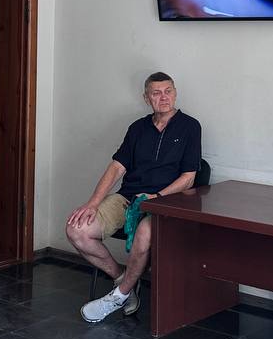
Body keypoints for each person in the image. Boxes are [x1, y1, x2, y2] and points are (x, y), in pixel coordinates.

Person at [66, 71, 201, 323]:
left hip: (167, 202)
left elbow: (189, 177)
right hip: (128, 198)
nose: (163, 97)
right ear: (146, 98)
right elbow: (117, 167)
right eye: (156, 93)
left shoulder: (190, 127)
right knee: (77, 230)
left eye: (168, 91)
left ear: (175, 93)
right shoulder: (137, 128)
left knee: (144, 232)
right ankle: (123, 280)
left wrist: (156, 196)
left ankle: (118, 296)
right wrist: (92, 203)